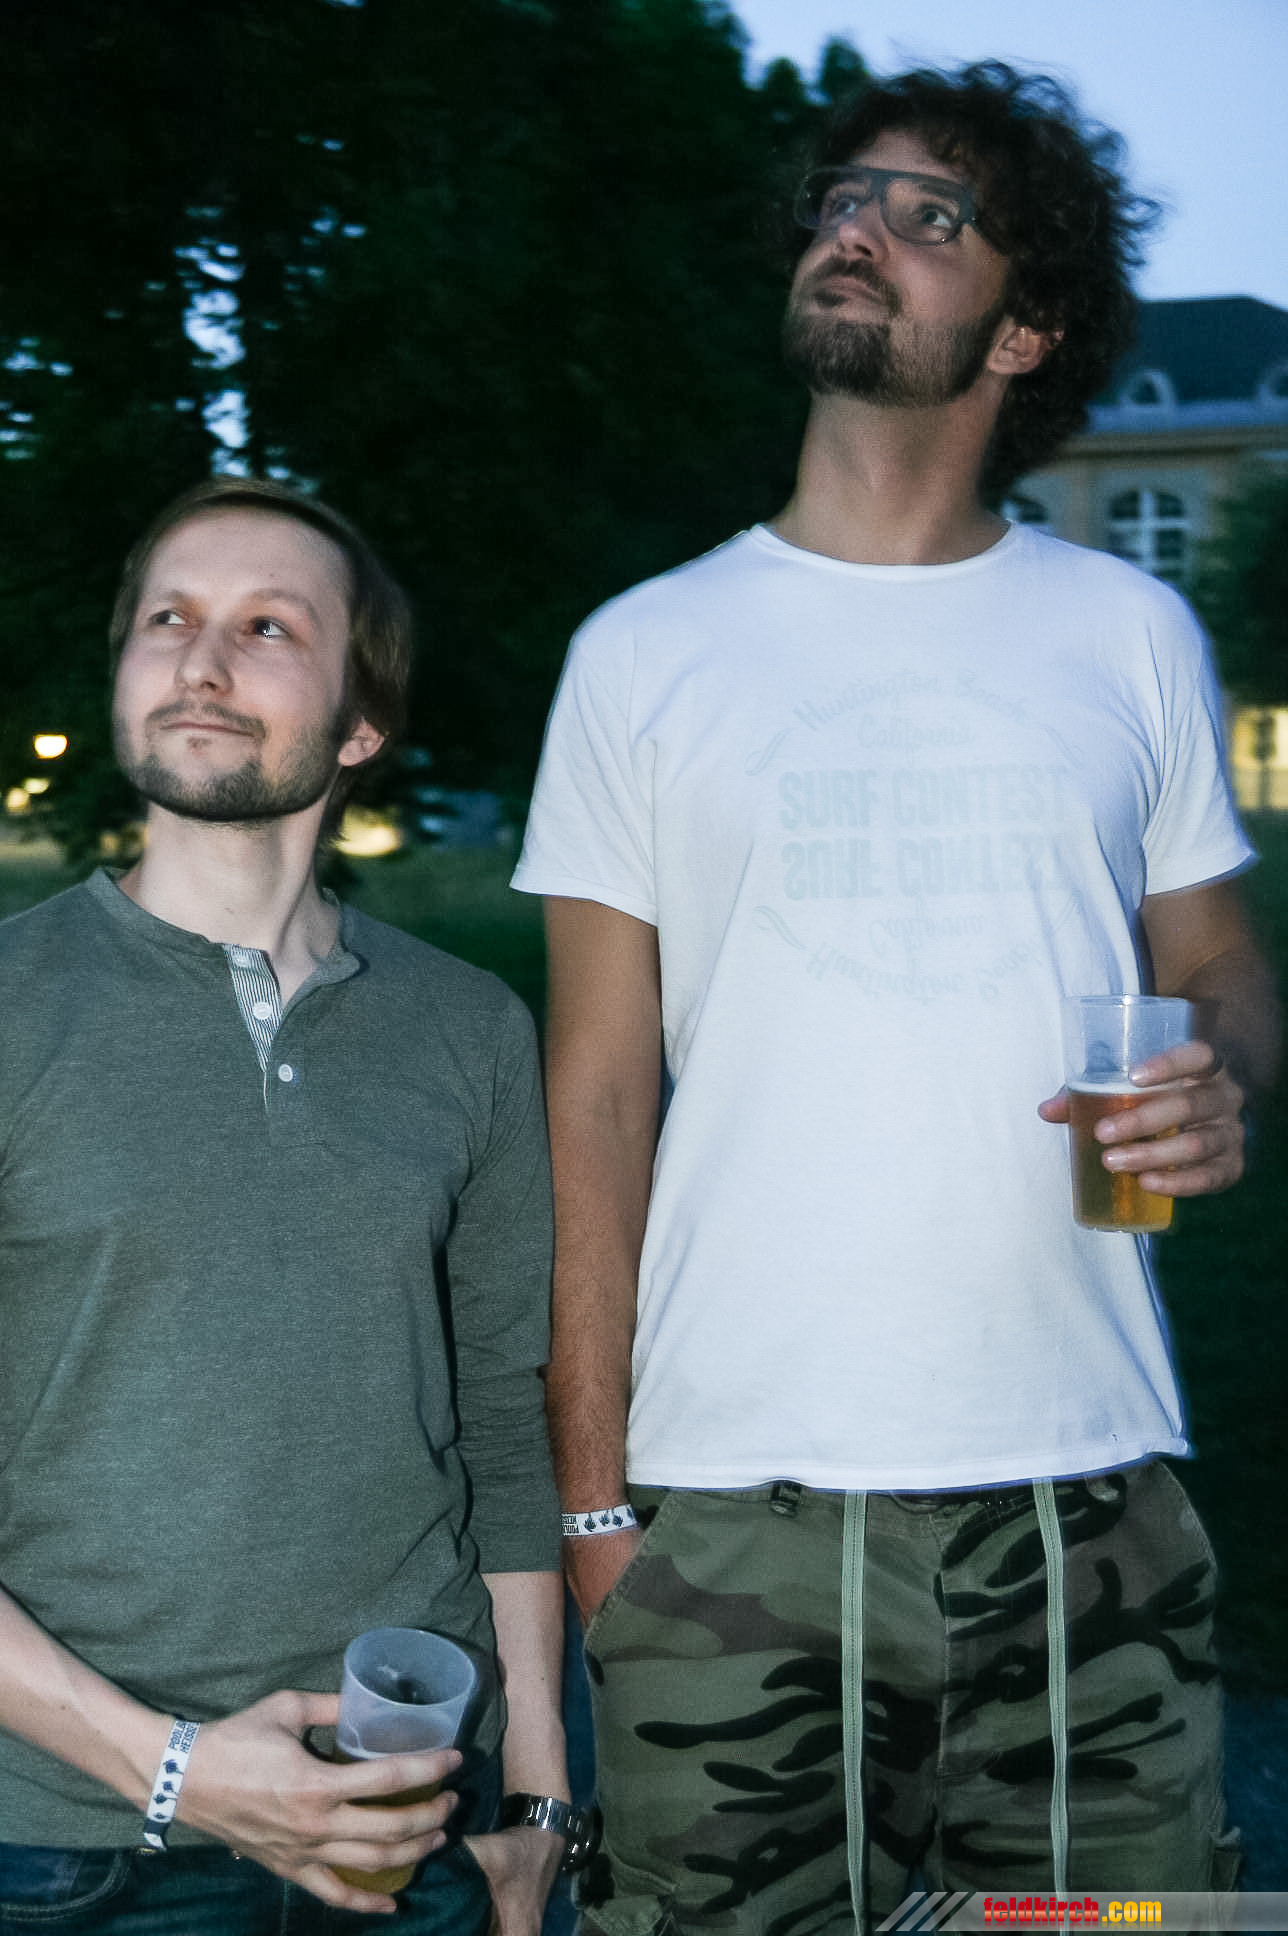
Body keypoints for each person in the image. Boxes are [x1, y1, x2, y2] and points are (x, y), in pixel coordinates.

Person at [511, 62, 1280, 1934]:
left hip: (1086, 1503)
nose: (858, 225)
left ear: (1024, 330)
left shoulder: (1130, 633)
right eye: (845, 195)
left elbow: (1219, 965)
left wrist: (1218, 1068)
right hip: (737, 1514)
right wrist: (598, 1511)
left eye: (931, 214)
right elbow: (594, 1101)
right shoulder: (641, 653)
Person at [0, 477, 586, 1934]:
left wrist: (536, 1805)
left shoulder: (467, 1028)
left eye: (268, 628)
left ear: (361, 722)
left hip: (408, 1825)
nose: (201, 663)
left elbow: (502, 1431)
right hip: (75, 1853)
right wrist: (176, 1771)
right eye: (168, 620)